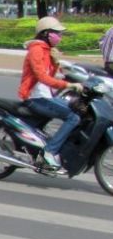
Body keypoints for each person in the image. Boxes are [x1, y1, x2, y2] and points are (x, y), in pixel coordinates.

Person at [19, 17, 83, 170]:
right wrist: (68, 85)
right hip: (35, 97)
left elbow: (50, 74)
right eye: (57, 33)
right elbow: (42, 77)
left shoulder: (46, 50)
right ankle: (50, 152)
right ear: (46, 33)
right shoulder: (36, 50)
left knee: (77, 109)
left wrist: (55, 62)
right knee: (73, 117)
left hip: (45, 95)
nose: (59, 37)